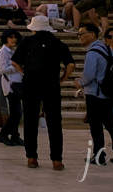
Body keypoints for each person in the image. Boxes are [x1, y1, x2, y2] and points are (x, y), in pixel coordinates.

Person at [11, 13, 75, 170]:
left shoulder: (28, 41)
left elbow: (14, 61)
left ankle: (32, 157)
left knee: (31, 121)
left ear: (34, 29)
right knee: (54, 122)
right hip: (51, 85)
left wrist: (24, 73)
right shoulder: (58, 42)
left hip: (31, 84)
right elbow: (71, 64)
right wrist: (62, 79)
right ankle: (56, 159)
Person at [76, 21, 113, 165]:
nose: (80, 37)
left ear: (92, 35)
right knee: (111, 124)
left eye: (82, 34)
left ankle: (99, 155)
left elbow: (89, 76)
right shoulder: (106, 49)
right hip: (108, 93)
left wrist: (80, 82)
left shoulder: (92, 52)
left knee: (96, 126)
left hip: (95, 94)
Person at [0, 29, 24, 146]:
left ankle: (14, 135)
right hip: (11, 85)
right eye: (11, 37)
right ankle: (3, 134)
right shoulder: (3, 52)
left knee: (16, 112)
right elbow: (3, 69)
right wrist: (16, 67)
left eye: (15, 37)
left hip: (17, 83)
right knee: (16, 112)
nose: (14, 39)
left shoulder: (12, 51)